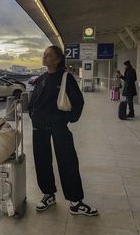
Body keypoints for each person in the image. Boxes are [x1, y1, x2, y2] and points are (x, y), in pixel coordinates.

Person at [28, 45, 98, 216]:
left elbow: (78, 102)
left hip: (59, 127)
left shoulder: (66, 77)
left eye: (49, 55)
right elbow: (33, 101)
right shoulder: (42, 78)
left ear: (58, 60)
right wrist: (34, 117)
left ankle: (75, 202)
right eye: (44, 54)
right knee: (42, 162)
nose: (45, 57)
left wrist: (68, 119)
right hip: (39, 128)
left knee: (68, 162)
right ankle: (48, 194)